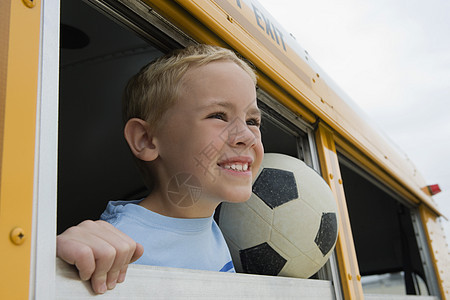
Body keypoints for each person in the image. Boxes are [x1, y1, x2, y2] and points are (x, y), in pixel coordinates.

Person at [56, 44, 264, 294]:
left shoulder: (208, 227)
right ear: (146, 139)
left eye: (252, 121)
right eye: (218, 115)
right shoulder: (115, 250)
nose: (247, 136)